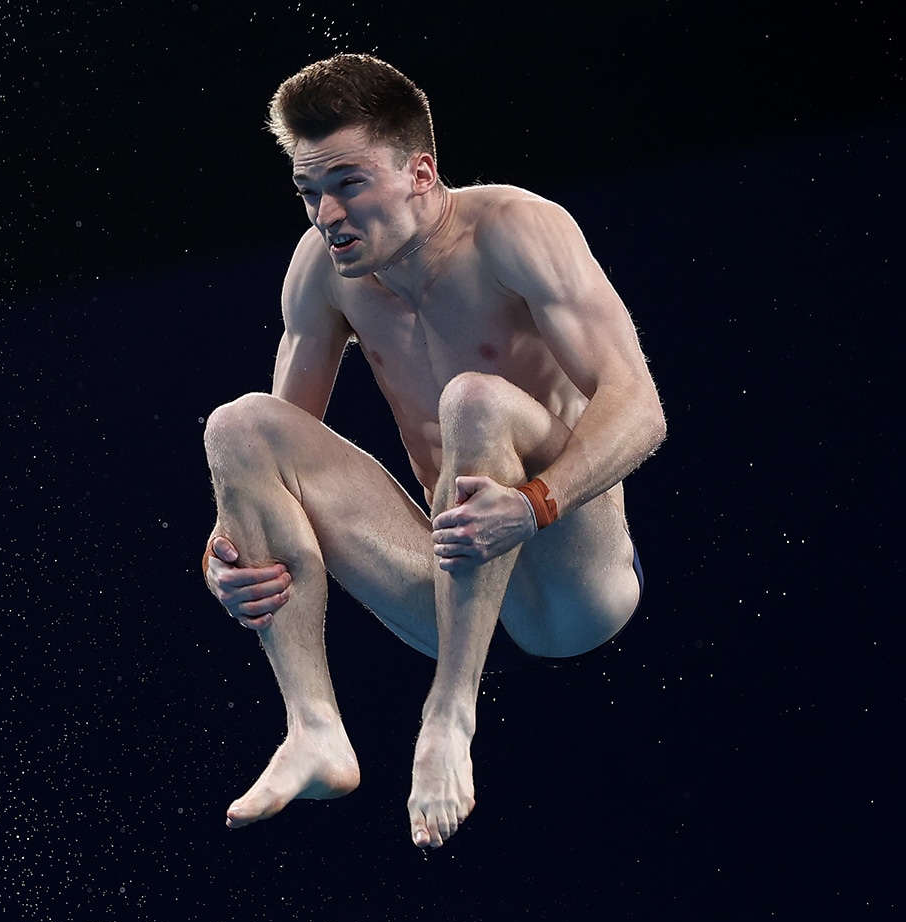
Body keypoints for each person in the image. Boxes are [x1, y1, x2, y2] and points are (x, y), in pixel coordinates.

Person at [202, 54, 664, 849]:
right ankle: (314, 729)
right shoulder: (322, 273)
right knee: (238, 425)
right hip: (451, 584)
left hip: (570, 585)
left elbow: (642, 409)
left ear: (420, 171)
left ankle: (448, 716)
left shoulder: (517, 229)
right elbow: (276, 461)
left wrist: (533, 504)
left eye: (348, 183)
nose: (327, 214)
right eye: (309, 192)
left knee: (473, 399)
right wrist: (224, 555)